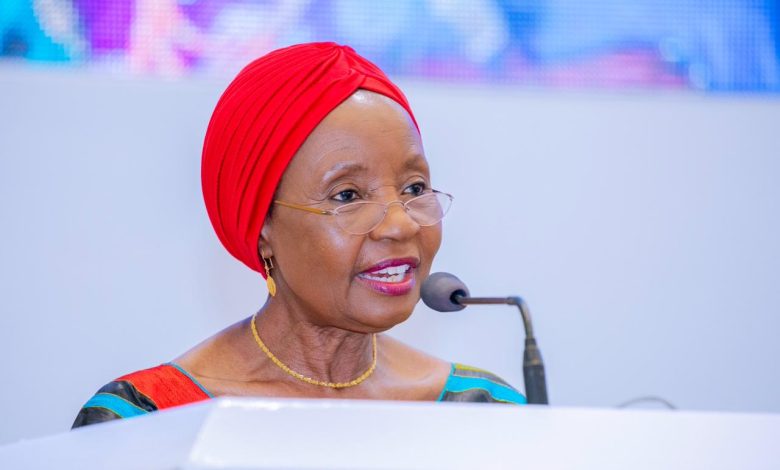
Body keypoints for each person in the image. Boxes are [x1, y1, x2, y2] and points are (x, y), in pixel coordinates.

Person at [72, 42, 525, 428]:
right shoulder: (145, 420)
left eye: (414, 188)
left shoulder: (485, 412)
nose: (401, 225)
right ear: (262, 228)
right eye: (347, 195)